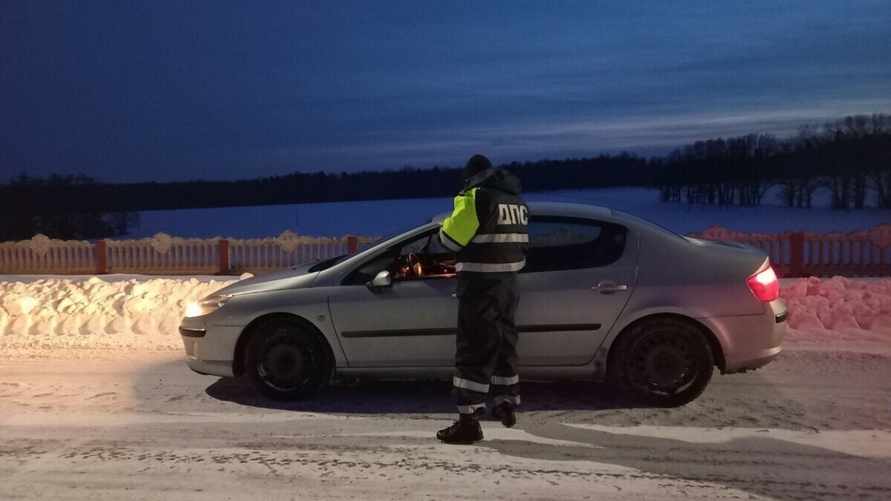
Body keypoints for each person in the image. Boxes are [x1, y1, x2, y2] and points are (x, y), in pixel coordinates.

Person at [436, 154, 529, 444]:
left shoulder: (475, 198)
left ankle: (468, 422)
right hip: (509, 285)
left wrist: (445, 224)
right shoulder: (515, 202)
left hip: (480, 285)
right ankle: (504, 402)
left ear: (471, 176)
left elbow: (450, 240)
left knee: (473, 348)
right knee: (503, 343)